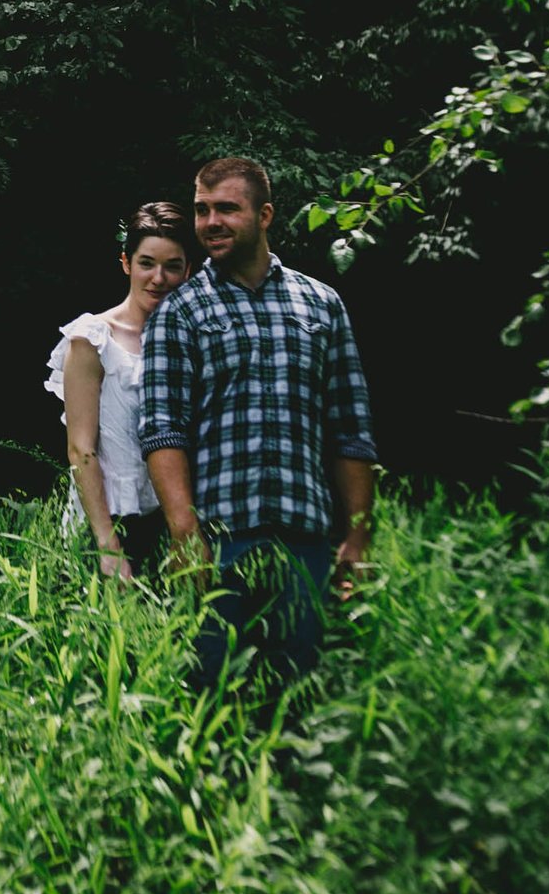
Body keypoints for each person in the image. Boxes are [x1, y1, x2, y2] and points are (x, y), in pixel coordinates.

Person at [139, 155, 379, 697]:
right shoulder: (181, 311)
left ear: (265, 214)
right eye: (201, 211)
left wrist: (358, 537)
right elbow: (163, 430)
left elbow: (351, 427)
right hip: (220, 543)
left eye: (227, 208)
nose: (210, 223)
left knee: (298, 699)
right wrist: (184, 535)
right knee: (213, 698)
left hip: (306, 539)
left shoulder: (322, 304)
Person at [44, 202, 196, 579]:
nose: (158, 278)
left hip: (168, 521)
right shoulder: (93, 339)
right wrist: (107, 544)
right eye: (147, 263)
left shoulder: (188, 340)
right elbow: (81, 449)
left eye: (172, 266)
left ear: (187, 270)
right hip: (108, 522)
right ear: (126, 263)